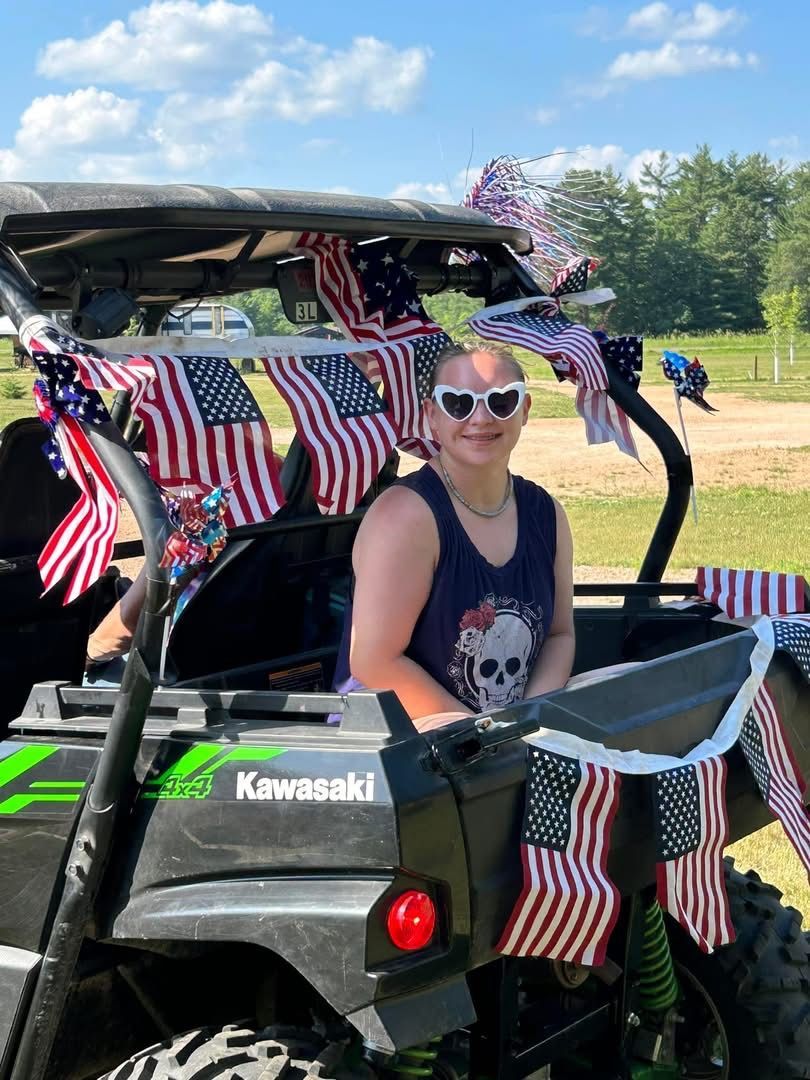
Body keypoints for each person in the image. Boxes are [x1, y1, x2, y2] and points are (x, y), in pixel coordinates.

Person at [333, 340, 575, 732]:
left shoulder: (546, 514)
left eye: (500, 402)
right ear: (432, 416)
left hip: (504, 741)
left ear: (525, 410)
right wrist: (484, 737)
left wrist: (530, 723)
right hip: (404, 745)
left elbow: (560, 634)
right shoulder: (405, 517)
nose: (480, 419)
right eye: (459, 403)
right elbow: (374, 661)